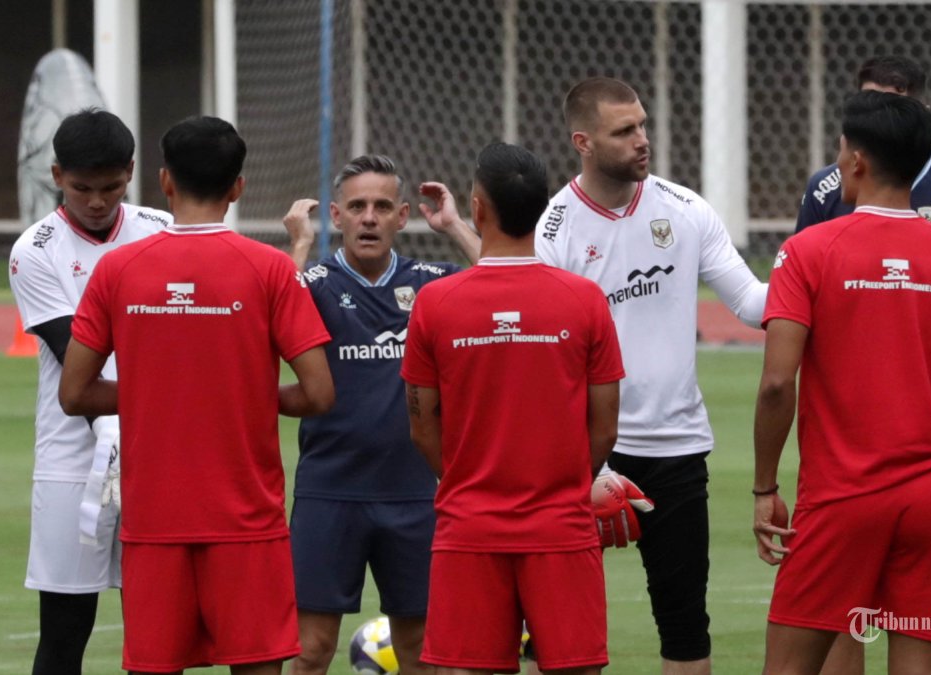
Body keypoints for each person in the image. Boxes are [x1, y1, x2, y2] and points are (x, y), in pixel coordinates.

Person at [59, 115, 335, 675]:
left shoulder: (117, 270)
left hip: (155, 519)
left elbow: (74, 392)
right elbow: (319, 393)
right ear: (238, 187)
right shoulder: (271, 270)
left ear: (163, 181)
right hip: (247, 521)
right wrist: (247, 396)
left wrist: (155, 395)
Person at [534, 76, 767, 675]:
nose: (643, 139)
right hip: (583, 457)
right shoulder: (555, 230)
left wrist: (821, 267)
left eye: (642, 124)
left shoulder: (685, 209)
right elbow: (548, 366)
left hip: (676, 449)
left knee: (686, 627)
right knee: (554, 633)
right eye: (625, 131)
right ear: (583, 142)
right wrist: (594, 470)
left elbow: (752, 303)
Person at [754, 90, 931, 675]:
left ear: (855, 160)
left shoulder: (807, 251)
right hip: (929, 499)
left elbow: (778, 383)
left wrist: (764, 488)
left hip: (839, 497)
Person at [401, 142, 622, 674]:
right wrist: (570, 482)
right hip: (561, 528)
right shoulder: (584, 300)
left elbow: (422, 427)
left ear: (476, 208)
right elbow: (605, 427)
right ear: (543, 209)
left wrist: (461, 479)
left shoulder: (436, 303)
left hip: (469, 527)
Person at [280, 154, 479, 675]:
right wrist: (299, 246)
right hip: (330, 491)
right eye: (357, 206)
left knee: (419, 652)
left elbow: (508, 283)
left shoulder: (433, 282)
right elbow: (265, 318)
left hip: (414, 492)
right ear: (337, 216)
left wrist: (455, 226)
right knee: (310, 649)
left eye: (383, 206)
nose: (369, 217)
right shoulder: (315, 282)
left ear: (403, 215)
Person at [8, 109, 170, 675]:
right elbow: (74, 355)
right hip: (73, 458)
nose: (97, 201)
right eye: (81, 188)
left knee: (154, 630)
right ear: (56, 174)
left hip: (158, 454)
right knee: (64, 633)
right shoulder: (36, 249)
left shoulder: (162, 229)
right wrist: (120, 433)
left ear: (131, 172)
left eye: (111, 187)